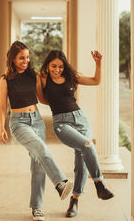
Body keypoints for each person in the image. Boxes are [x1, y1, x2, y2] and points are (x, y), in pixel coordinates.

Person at [0, 41, 73, 221]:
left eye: (27, 57)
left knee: (38, 164)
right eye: (21, 58)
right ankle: (61, 183)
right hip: (19, 123)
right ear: (13, 59)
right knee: (41, 149)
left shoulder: (34, 75)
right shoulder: (5, 79)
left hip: (37, 121)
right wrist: (1, 127)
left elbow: (42, 99)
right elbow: (1, 108)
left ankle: (37, 208)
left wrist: (62, 102)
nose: (26, 60)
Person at [39, 50, 114, 218]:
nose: (57, 69)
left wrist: (98, 63)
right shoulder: (42, 78)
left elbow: (96, 81)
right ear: (47, 65)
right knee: (88, 145)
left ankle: (74, 201)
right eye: (53, 66)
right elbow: (42, 99)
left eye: (60, 66)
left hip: (80, 119)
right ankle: (99, 184)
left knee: (81, 161)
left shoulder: (72, 76)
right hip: (61, 122)